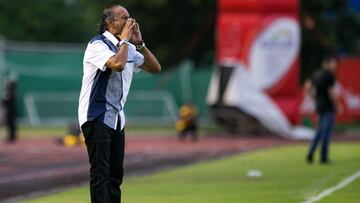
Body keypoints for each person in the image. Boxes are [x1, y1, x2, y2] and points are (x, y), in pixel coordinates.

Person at [78, 4, 161, 203]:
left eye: (130, 17)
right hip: (96, 115)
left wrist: (139, 43)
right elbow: (118, 64)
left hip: (116, 118)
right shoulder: (97, 44)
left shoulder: (129, 47)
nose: (129, 22)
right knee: (101, 174)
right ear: (110, 22)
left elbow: (155, 67)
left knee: (115, 176)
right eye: (123, 18)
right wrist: (124, 40)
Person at [304, 55, 341, 164]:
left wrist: (313, 97)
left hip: (319, 105)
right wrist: (338, 105)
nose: (335, 66)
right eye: (333, 63)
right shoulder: (329, 76)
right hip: (328, 106)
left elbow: (307, 87)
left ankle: (311, 153)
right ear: (328, 64)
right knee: (326, 132)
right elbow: (332, 93)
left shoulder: (316, 74)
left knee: (319, 131)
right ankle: (323, 157)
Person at [2, 79, 17, 143]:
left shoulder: (11, 91)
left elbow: (6, 100)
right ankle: (11, 136)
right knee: (9, 123)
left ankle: (12, 136)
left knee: (11, 123)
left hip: (11, 110)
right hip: (9, 109)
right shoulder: (9, 91)